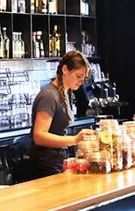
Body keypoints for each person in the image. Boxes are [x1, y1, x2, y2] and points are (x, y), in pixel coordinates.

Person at [26, 51, 95, 179]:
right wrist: (74, 140)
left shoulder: (66, 92)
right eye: (78, 76)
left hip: (55, 160)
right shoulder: (49, 96)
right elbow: (39, 136)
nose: (81, 82)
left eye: (83, 78)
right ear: (65, 69)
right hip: (45, 164)